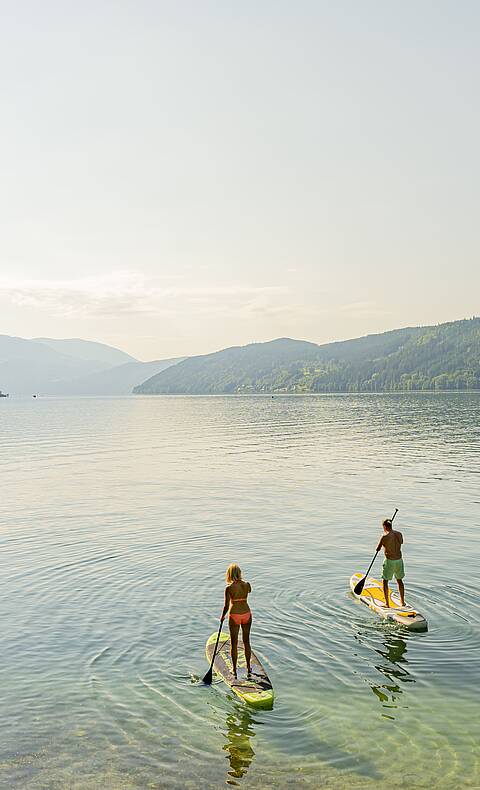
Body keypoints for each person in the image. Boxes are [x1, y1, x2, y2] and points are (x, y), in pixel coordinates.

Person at [220, 563, 252, 679]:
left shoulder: (229, 588)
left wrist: (222, 616)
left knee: (234, 644)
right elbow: (249, 591)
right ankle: (248, 667)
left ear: (229, 574)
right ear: (239, 573)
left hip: (234, 615)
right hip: (247, 614)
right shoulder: (247, 585)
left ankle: (234, 669)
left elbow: (226, 606)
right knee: (246, 641)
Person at [376, 518, 405, 607]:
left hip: (390, 561)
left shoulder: (384, 536)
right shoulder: (399, 534)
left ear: (384, 526)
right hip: (399, 560)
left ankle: (387, 604)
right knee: (399, 580)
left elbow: (378, 548)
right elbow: (401, 542)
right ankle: (402, 602)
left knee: (385, 581)